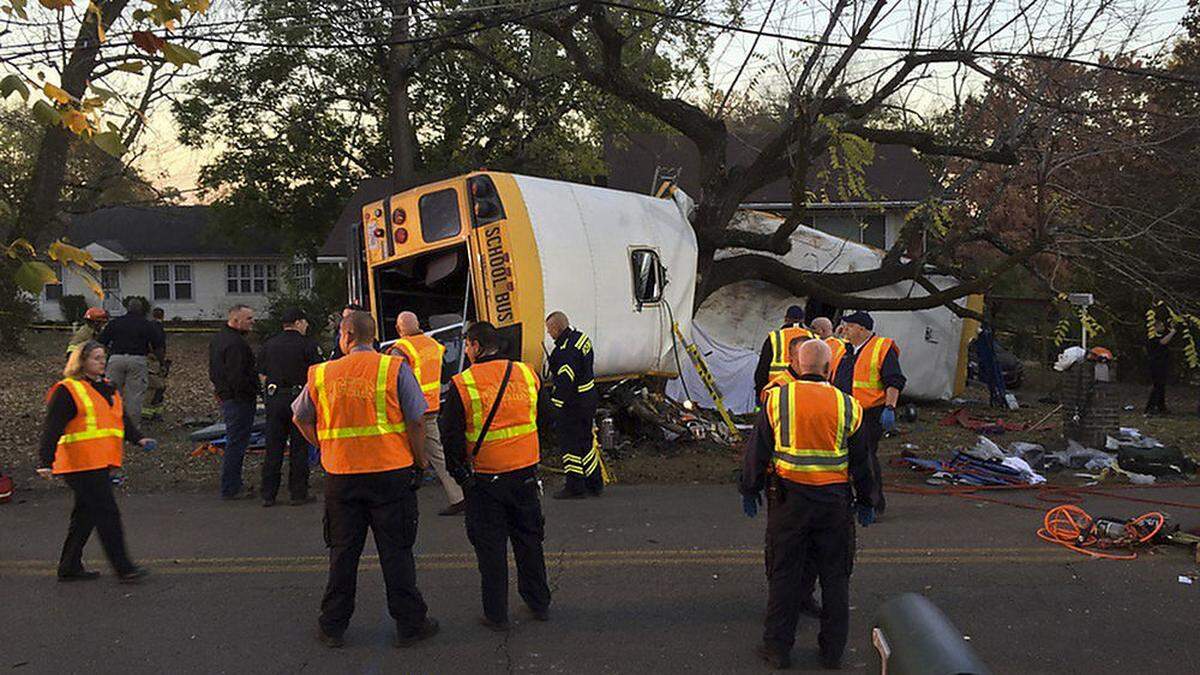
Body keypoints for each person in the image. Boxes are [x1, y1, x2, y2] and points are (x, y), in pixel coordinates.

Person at [292, 310, 438, 648]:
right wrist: (420, 459)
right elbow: (417, 420)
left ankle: (333, 626)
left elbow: (300, 417)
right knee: (396, 551)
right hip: (390, 475)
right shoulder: (393, 368)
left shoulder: (322, 373)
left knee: (343, 554)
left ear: (345, 336)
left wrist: (325, 445)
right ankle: (410, 624)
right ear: (373, 336)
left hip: (341, 477)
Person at [740, 339, 875, 670]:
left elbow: (757, 451)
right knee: (835, 577)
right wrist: (868, 499)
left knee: (785, 574)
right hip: (834, 504)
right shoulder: (848, 405)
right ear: (829, 370)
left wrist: (749, 487)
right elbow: (862, 461)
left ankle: (777, 649)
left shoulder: (777, 400)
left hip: (789, 501)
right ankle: (831, 653)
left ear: (798, 367)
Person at [441, 321, 551, 629]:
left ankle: (496, 613)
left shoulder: (463, 384)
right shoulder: (528, 374)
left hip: (485, 479)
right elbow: (544, 418)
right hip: (525, 473)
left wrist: (460, 475)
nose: (466, 351)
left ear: (475, 346)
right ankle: (538, 602)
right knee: (529, 540)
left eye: (467, 345)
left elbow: (450, 437)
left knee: (490, 549)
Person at [37, 341, 155, 583]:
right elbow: (52, 428)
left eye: (103, 357)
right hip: (79, 464)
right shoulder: (68, 390)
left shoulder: (108, 387)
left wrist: (138, 439)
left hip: (99, 462)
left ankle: (69, 566)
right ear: (81, 362)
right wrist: (45, 461)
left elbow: (119, 420)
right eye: (95, 358)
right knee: (106, 513)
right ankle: (124, 568)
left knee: (85, 515)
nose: (102, 362)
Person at [388, 311, 463, 515]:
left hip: (411, 409)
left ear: (398, 329)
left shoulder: (401, 349)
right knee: (434, 450)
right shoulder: (434, 345)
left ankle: (459, 496)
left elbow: (395, 380)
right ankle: (456, 493)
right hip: (432, 404)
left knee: (419, 452)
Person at [831, 311, 905, 515]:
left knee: (865, 457)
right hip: (843, 412)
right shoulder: (843, 349)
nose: (844, 329)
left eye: (849, 326)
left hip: (869, 412)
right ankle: (848, 500)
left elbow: (894, 380)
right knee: (843, 459)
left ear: (862, 329)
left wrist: (890, 407)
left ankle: (872, 503)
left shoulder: (881, 348)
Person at [258, 307, 322, 507]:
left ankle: (268, 494)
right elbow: (318, 373)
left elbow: (261, 373)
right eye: (304, 322)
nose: (307, 326)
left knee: (273, 447)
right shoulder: (308, 345)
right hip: (299, 399)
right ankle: (298, 493)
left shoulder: (269, 345)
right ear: (298, 323)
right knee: (299, 447)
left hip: (275, 398)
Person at [544, 311, 602, 499]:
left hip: (574, 404)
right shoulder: (580, 338)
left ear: (556, 328)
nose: (549, 334)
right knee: (586, 442)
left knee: (570, 445)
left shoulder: (564, 352)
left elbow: (564, 382)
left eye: (549, 330)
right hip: (589, 398)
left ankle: (575, 485)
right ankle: (594, 482)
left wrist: (554, 407)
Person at [208, 304, 259, 500]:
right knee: (237, 443)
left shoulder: (219, 339)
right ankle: (231, 487)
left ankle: (232, 484)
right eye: (249, 319)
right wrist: (251, 391)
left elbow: (215, 370)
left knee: (235, 441)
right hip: (239, 399)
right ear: (236, 320)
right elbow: (238, 375)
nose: (252, 322)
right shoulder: (236, 344)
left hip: (228, 396)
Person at [98, 298, 165, 422]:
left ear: (127, 308)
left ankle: (110, 422)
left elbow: (101, 341)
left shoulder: (115, 322)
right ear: (141, 310)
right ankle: (132, 427)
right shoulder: (147, 324)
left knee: (111, 392)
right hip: (137, 360)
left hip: (116, 359)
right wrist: (161, 363)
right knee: (134, 396)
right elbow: (158, 347)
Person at [754, 305, 816, 396]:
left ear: (786, 319)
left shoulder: (775, 337)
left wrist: (760, 391)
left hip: (775, 390)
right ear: (803, 320)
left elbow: (763, 367)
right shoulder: (814, 338)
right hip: (802, 392)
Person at [142, 307, 169, 420]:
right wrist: (162, 363)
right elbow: (160, 347)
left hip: (146, 358)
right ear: (162, 316)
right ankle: (149, 411)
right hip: (154, 361)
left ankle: (152, 411)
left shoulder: (147, 326)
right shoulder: (158, 328)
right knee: (158, 386)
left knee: (152, 386)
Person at [1145, 318, 1176, 415]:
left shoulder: (1160, 336)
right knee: (1157, 386)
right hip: (1155, 365)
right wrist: (1172, 333)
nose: (1163, 328)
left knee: (1161, 386)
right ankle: (1150, 408)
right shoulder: (1152, 338)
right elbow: (1163, 342)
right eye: (1161, 326)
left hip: (1163, 364)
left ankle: (1161, 407)